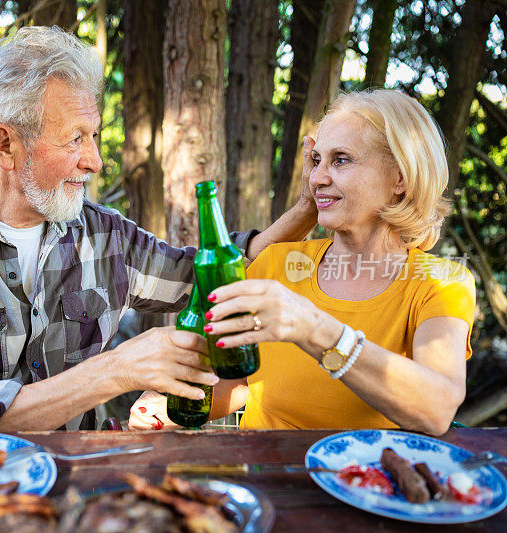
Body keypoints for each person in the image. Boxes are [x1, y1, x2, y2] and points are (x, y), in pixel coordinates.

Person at [0, 26, 317, 433]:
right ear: (5, 145)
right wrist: (117, 369)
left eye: (94, 136)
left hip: (73, 487)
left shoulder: (105, 236)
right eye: (74, 139)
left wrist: (304, 211)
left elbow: (215, 274)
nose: (94, 161)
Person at [130, 89, 475, 436]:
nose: (317, 178)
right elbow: (241, 380)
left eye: (341, 160)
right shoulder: (278, 263)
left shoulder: (440, 284)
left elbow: (436, 408)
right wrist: (176, 403)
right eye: (317, 160)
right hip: (264, 481)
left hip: (366, 483)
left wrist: (313, 328)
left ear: (400, 177)